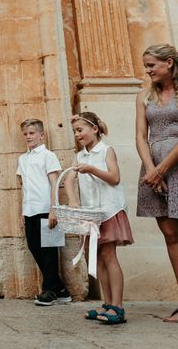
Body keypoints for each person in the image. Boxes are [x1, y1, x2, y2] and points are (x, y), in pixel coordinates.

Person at [64, 112, 133, 324]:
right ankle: (107, 303)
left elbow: (114, 177)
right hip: (92, 214)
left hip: (109, 211)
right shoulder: (80, 156)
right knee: (98, 258)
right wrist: (74, 200)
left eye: (80, 130)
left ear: (94, 129)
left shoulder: (106, 150)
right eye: (75, 131)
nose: (77, 134)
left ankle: (118, 307)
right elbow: (68, 179)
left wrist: (93, 170)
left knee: (109, 256)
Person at [135, 44, 178, 323]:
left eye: (152, 65)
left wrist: (162, 168)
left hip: (174, 165)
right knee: (171, 236)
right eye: (146, 65)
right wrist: (151, 169)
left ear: (169, 63)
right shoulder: (143, 96)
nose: (148, 70)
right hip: (153, 169)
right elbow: (140, 135)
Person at [16, 118, 71, 306]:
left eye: (31, 133)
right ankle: (61, 289)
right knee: (34, 247)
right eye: (25, 134)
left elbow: (55, 183)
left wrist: (53, 209)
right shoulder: (22, 159)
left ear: (41, 135)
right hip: (30, 209)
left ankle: (48, 291)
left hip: (46, 209)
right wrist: (22, 211)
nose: (28, 137)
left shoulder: (48, 156)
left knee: (48, 250)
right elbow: (23, 186)